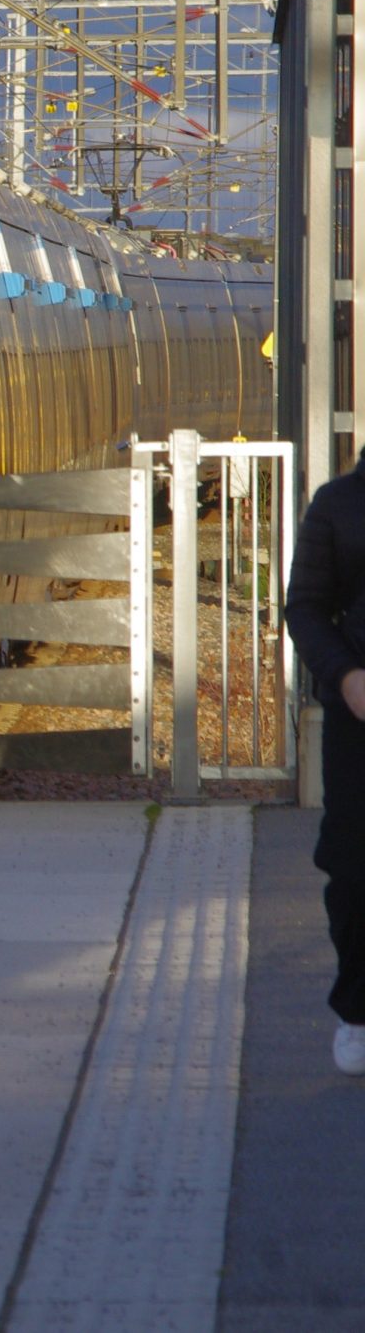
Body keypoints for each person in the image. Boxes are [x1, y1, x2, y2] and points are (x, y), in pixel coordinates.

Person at [285, 459, 365, 1075]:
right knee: (354, 865)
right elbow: (306, 607)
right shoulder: (337, 504)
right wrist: (346, 675)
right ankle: (358, 1012)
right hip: (358, 719)